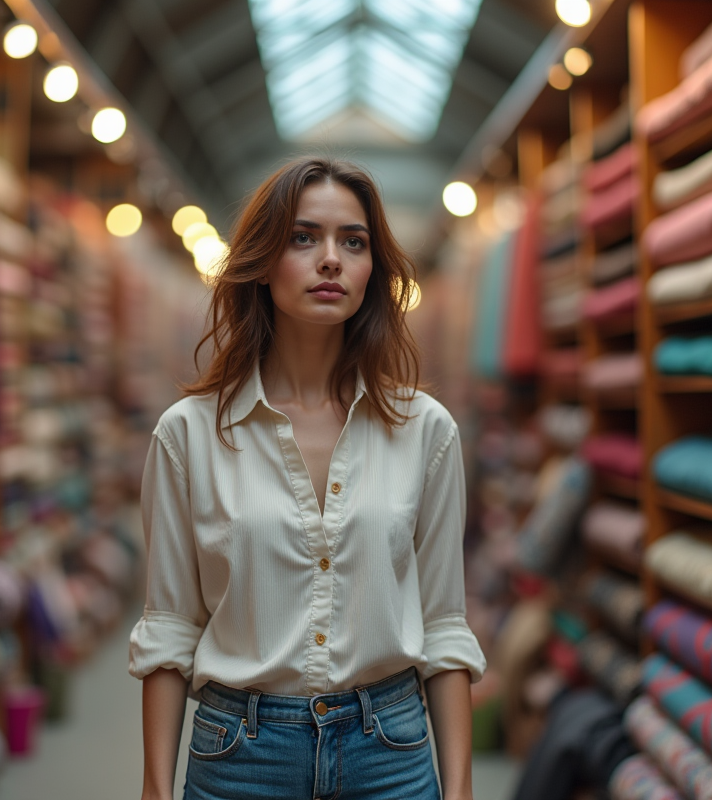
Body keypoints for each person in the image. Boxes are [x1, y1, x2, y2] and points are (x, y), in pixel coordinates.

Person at [130, 157, 486, 800]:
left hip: (392, 753)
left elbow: (442, 624)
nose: (331, 259)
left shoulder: (426, 430)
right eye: (303, 237)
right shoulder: (188, 434)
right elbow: (170, 627)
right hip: (240, 754)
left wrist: (459, 788)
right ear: (263, 262)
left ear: (373, 269)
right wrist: (156, 788)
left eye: (353, 241)